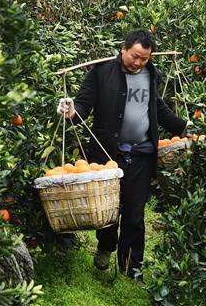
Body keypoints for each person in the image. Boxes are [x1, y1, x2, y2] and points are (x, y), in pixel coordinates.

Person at [57, 29, 194, 278]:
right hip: (108, 154)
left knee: (134, 213)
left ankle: (132, 267)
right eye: (135, 56)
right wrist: (71, 111)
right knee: (109, 209)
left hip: (142, 154)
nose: (138, 62)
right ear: (123, 49)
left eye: (144, 58)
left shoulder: (152, 74)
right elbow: (84, 104)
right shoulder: (101, 72)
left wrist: (184, 128)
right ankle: (105, 246)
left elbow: (158, 109)